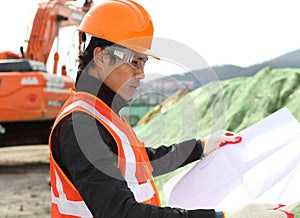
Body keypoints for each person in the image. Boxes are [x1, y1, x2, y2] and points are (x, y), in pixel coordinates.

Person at [48, 0, 294, 217]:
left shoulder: (102, 113)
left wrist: (200, 146)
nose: (142, 74)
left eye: (143, 62)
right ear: (101, 57)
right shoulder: (81, 127)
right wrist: (224, 217)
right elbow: (121, 212)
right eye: (134, 61)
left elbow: (142, 163)